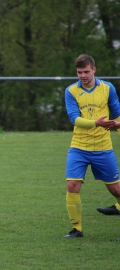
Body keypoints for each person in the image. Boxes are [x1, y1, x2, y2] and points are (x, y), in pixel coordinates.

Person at [63, 54, 120, 238]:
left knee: (116, 190)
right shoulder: (71, 91)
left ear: (94, 70)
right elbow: (74, 119)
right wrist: (96, 123)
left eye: (86, 71)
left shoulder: (107, 88)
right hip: (79, 146)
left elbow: (117, 113)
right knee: (72, 185)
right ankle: (76, 229)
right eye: (79, 72)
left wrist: (117, 125)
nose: (83, 76)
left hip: (103, 147)